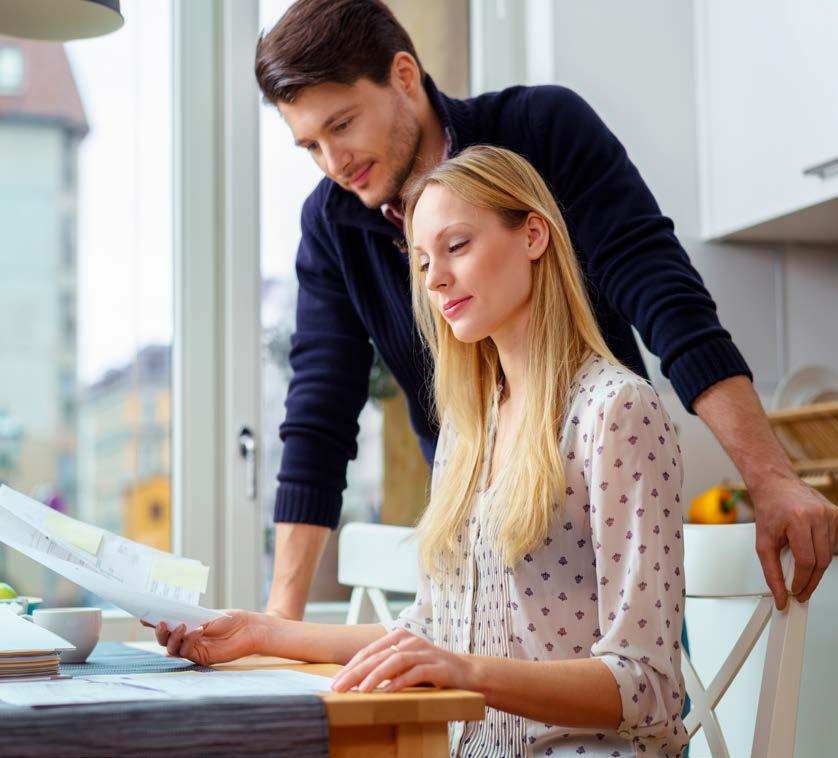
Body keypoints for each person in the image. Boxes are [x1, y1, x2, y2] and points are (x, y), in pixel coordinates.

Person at [258, 0, 836, 622]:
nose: (333, 164)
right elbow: (319, 416)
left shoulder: (543, 128)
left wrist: (771, 476)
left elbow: (665, 295)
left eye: (341, 125)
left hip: (606, 534)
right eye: (310, 146)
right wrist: (280, 618)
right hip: (474, 559)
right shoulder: (332, 225)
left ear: (404, 76)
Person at [156, 145, 690, 757]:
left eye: (456, 246)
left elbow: (647, 684)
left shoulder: (616, 411)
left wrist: (465, 672)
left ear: (533, 235)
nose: (434, 279)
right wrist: (261, 632)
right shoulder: (468, 428)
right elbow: (432, 631)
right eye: (422, 261)